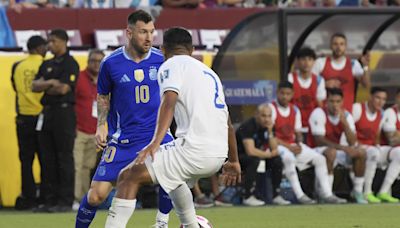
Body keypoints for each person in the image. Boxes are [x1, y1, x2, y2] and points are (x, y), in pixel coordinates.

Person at [104, 27, 241, 228]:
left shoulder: (171, 65)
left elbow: (169, 102)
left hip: (194, 150)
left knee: (128, 176)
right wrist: (234, 161)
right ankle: (192, 225)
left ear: (163, 49)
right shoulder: (210, 74)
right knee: (173, 178)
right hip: (218, 155)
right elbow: (227, 122)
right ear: (192, 49)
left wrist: (155, 143)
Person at [74, 10, 174, 228]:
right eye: (143, 32)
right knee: (95, 197)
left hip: (157, 136)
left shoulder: (162, 60)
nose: (149, 38)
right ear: (129, 33)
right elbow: (103, 96)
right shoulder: (111, 63)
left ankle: (162, 223)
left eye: (152, 32)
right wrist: (101, 124)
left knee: (173, 177)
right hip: (123, 139)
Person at [271, 81, 346, 204]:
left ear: (292, 94)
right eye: (282, 93)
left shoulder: (295, 110)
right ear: (277, 93)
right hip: (277, 145)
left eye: (288, 94)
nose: (285, 96)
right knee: (289, 158)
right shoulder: (271, 108)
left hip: (291, 145)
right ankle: (300, 195)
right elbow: (270, 136)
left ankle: (327, 194)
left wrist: (299, 144)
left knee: (320, 159)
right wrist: (290, 147)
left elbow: (298, 132)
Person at [31, 29, 79, 212]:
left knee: (64, 157)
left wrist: (47, 84)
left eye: (53, 41)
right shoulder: (47, 63)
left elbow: (63, 89)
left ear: (64, 42)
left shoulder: (70, 63)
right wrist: (51, 83)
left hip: (63, 114)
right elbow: (34, 86)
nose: (50, 45)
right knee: (47, 158)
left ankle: (65, 200)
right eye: (48, 41)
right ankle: (48, 200)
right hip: (47, 113)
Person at [308, 88, 367, 204]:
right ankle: (326, 193)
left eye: (338, 101)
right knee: (331, 152)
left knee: (360, 152)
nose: (335, 105)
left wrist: (345, 124)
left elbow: (352, 142)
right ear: (326, 102)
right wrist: (343, 148)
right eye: (332, 101)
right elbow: (319, 140)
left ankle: (357, 191)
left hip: (336, 149)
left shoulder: (346, 115)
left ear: (342, 102)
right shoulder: (319, 113)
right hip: (316, 150)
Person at [11, 35, 47, 210]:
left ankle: (29, 196)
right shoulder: (45, 64)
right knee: (46, 160)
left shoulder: (17, 66)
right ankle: (46, 197)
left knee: (26, 161)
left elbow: (15, 88)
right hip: (41, 117)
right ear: (39, 48)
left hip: (23, 119)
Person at [353, 87, 400, 203]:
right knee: (373, 152)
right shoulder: (358, 109)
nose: (380, 102)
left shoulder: (381, 113)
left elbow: (379, 135)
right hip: (355, 146)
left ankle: (383, 192)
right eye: (377, 98)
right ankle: (367, 192)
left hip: (375, 148)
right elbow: (391, 139)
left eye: (383, 99)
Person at [236, 104, 289, 206]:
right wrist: (268, 155)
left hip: (258, 157)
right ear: (256, 115)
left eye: (269, 116)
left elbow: (274, 149)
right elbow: (250, 151)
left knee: (277, 160)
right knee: (254, 160)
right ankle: (248, 196)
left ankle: (276, 195)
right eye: (263, 116)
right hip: (239, 158)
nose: (267, 119)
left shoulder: (268, 126)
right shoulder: (248, 126)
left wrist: (270, 132)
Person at [72, 49, 105, 210]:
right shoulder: (79, 78)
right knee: (77, 166)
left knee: (88, 167)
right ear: (88, 61)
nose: (96, 64)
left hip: (96, 131)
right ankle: (77, 199)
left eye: (99, 61)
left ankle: (84, 199)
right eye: (93, 60)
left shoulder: (105, 80)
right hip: (79, 129)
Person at [312, 33, 370, 112]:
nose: (338, 47)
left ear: (346, 46)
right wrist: (324, 84)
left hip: (346, 113)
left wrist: (365, 67)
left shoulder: (353, 64)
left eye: (341, 44)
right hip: (326, 114)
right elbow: (309, 86)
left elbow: (366, 84)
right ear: (330, 46)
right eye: (335, 44)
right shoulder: (320, 63)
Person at [289, 47, 326, 131]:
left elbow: (320, 105)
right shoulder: (290, 78)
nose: (306, 63)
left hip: (312, 126)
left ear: (314, 62)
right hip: (294, 125)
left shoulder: (319, 80)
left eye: (309, 59)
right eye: (303, 59)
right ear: (297, 61)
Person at [378, 88, 400, 203]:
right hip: (384, 150)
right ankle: (383, 191)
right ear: (397, 98)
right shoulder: (390, 113)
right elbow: (391, 140)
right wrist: (396, 136)